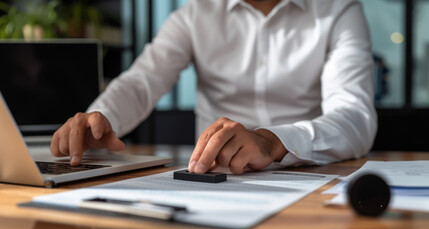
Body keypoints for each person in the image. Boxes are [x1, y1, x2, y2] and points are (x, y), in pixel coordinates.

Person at [50, 0, 377, 175]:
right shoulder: (195, 14)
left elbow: (355, 116)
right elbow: (142, 79)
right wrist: (103, 115)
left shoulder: (339, 9)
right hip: (211, 177)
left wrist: (273, 140)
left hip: (311, 174)